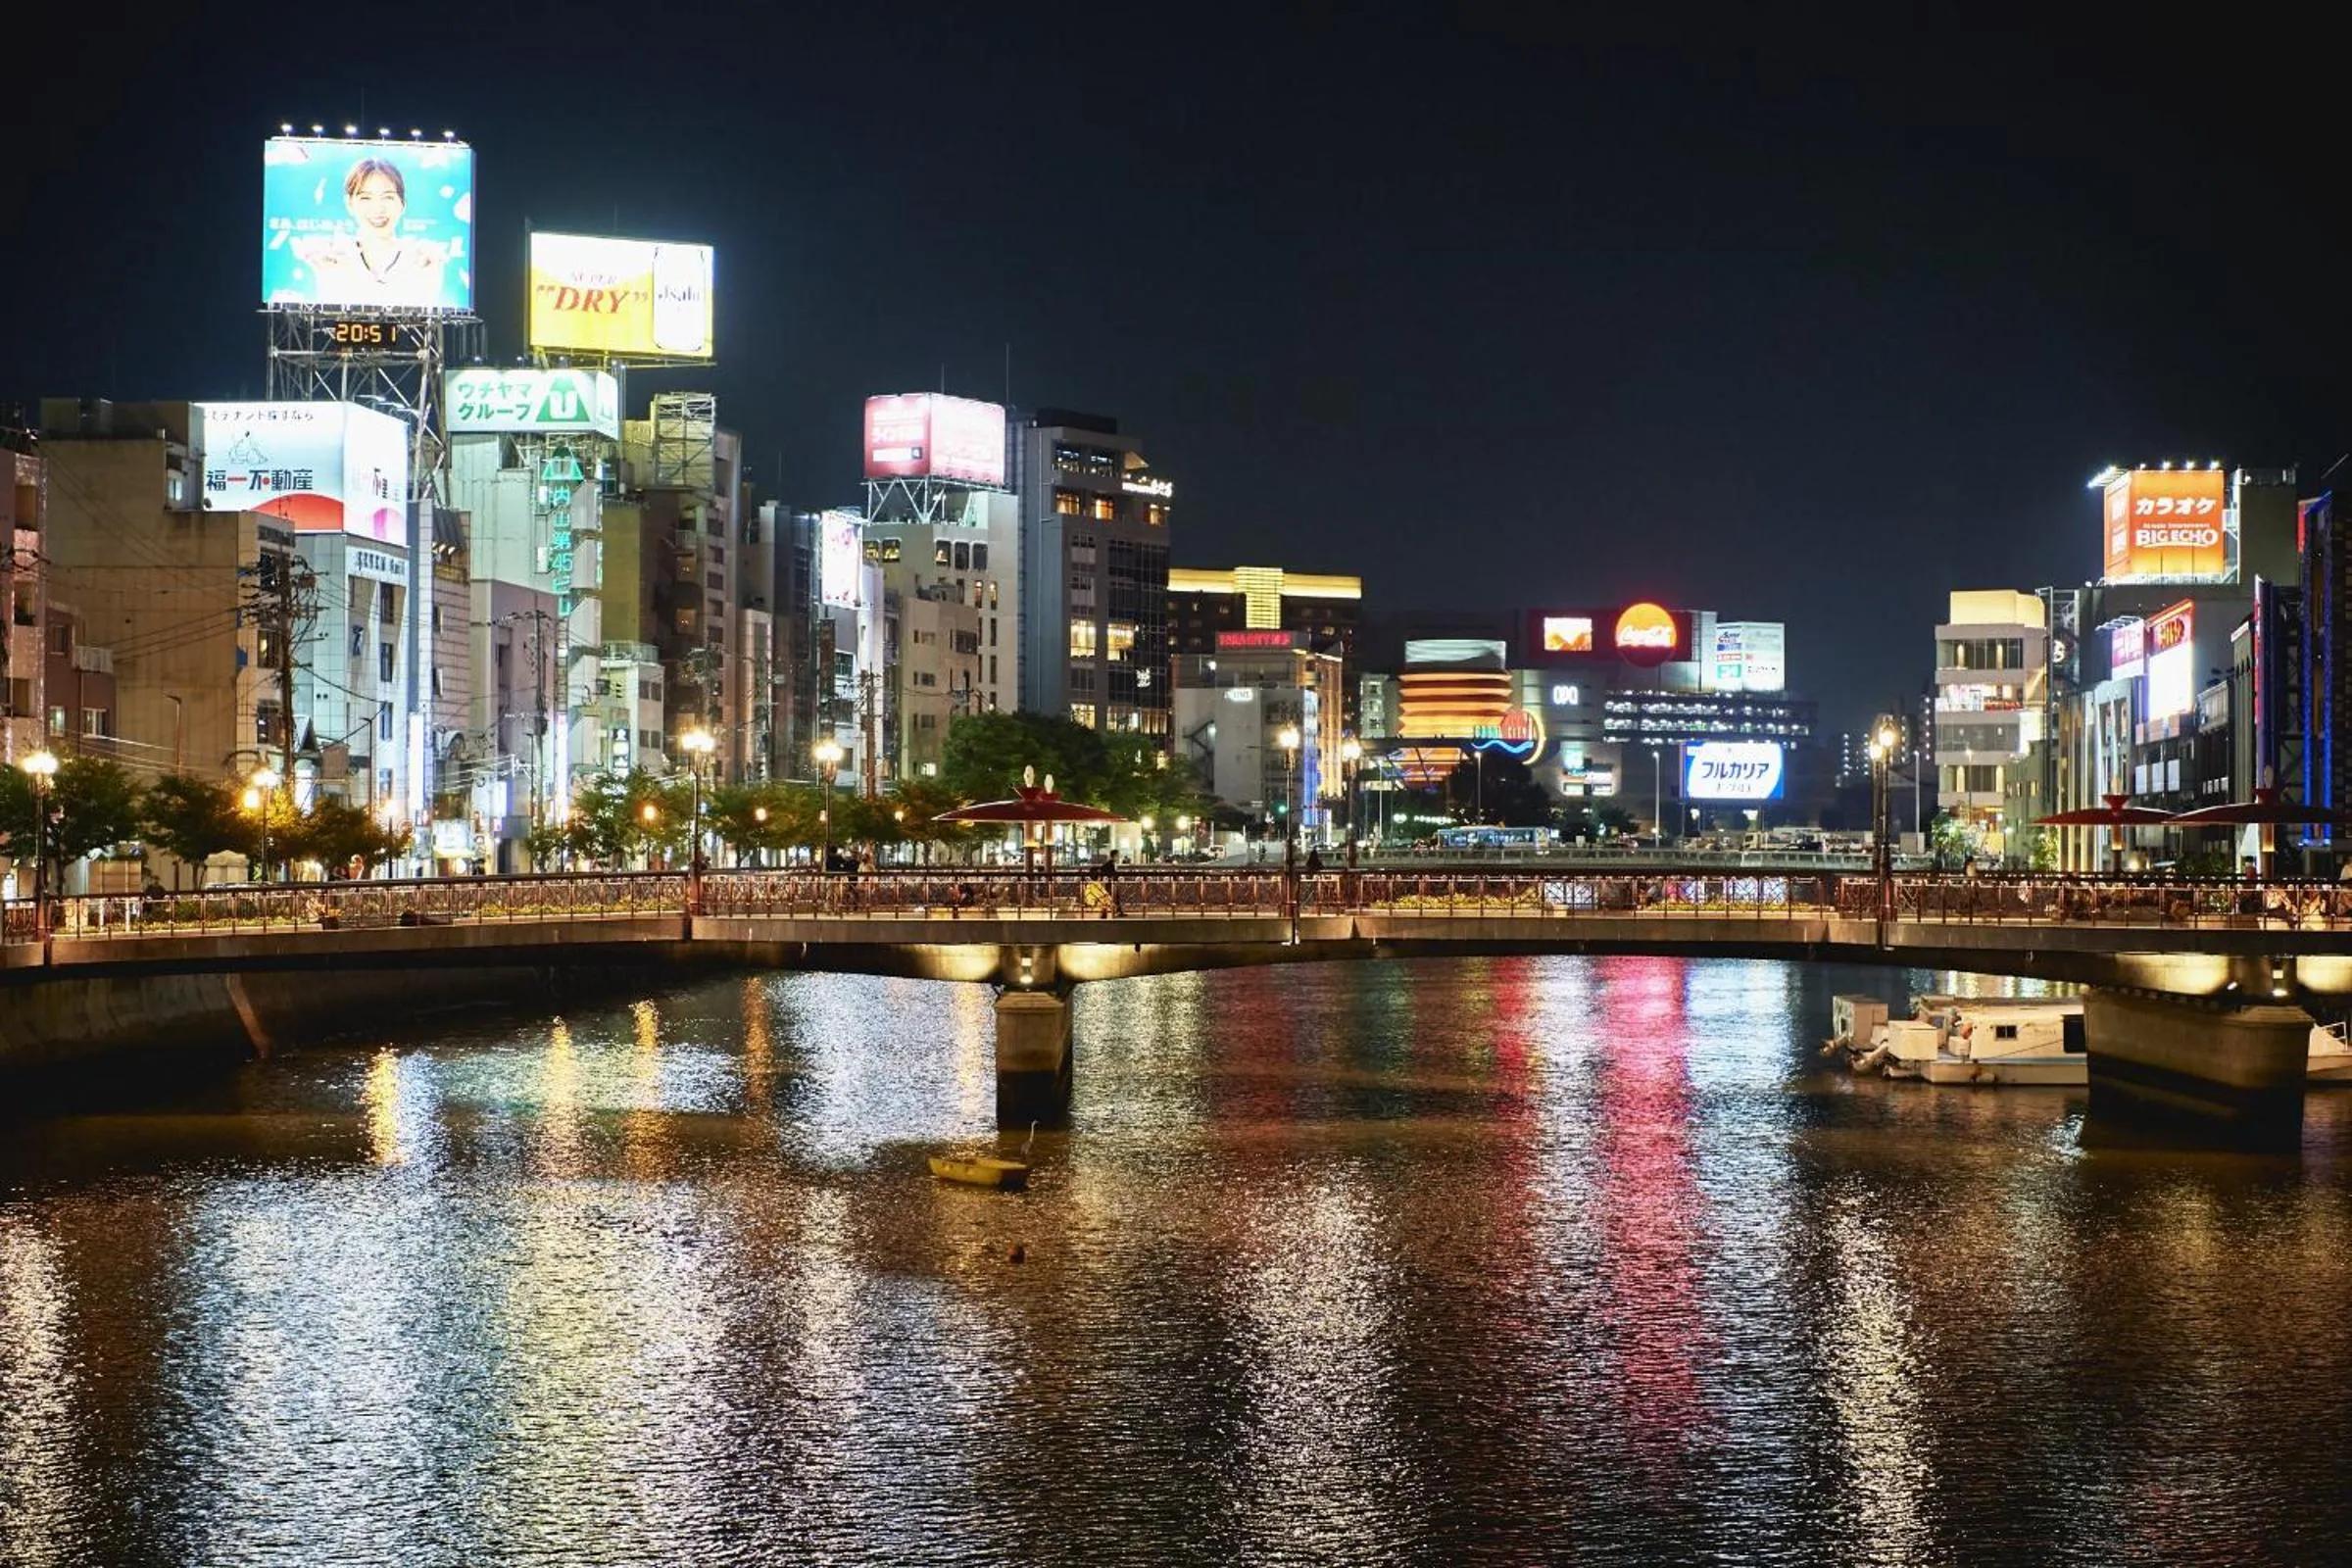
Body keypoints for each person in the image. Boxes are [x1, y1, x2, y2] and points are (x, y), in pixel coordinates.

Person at [295, 157, 450, 308]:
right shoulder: (330, 256)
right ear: (349, 204)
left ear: (402, 204)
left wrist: (430, 269)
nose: (378, 209)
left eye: (387, 197)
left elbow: (428, 323)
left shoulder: (422, 258)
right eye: (366, 198)